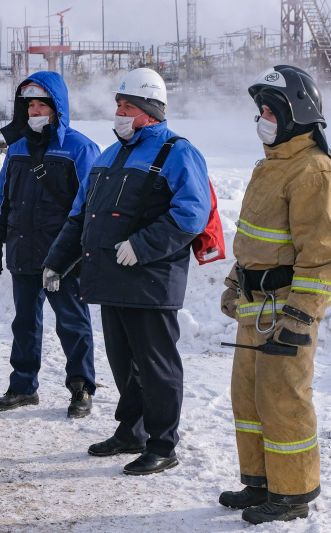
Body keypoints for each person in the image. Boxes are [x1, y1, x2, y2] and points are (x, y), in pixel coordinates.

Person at [42, 68, 211, 475]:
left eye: (128, 105)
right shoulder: (109, 154)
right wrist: (56, 260)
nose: (119, 112)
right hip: (113, 279)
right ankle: (131, 431)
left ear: (150, 111)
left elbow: (192, 215)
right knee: (123, 362)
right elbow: (81, 215)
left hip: (151, 283)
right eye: (118, 104)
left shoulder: (177, 152)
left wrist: (142, 245)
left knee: (156, 367)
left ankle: (162, 444)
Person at [217, 65, 331, 524]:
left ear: (297, 113)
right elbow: (255, 239)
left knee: (283, 399)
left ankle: (292, 494)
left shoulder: (313, 172)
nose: (263, 119)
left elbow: (324, 254)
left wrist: (302, 314)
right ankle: (260, 483)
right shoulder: (271, 166)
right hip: (256, 309)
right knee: (250, 399)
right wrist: (237, 281)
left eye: (272, 110)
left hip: (285, 311)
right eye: (260, 111)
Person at [0, 71, 100, 418]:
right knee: (25, 322)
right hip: (22, 248)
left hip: (62, 257)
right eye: (30, 105)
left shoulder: (80, 148)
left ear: (57, 108)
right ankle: (23, 386)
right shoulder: (17, 148)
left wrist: (84, 251)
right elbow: (2, 197)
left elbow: (91, 206)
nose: (35, 111)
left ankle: (81, 389)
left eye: (41, 105)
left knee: (72, 322)